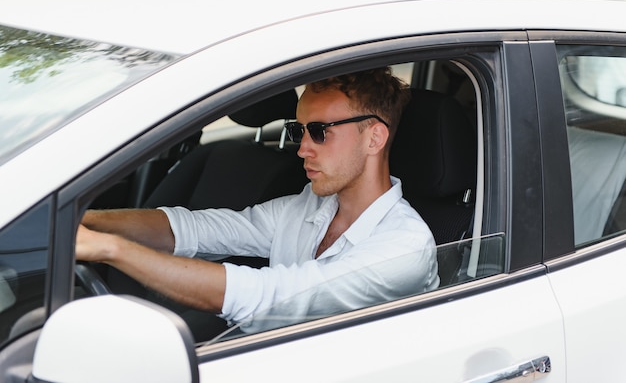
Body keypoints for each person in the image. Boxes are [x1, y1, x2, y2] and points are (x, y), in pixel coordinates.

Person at [77, 67, 440, 334]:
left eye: (319, 132)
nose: (302, 148)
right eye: (298, 131)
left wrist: (111, 249)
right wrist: (86, 221)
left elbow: (268, 297)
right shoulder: (309, 207)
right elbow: (197, 229)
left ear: (374, 138)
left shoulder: (404, 248)